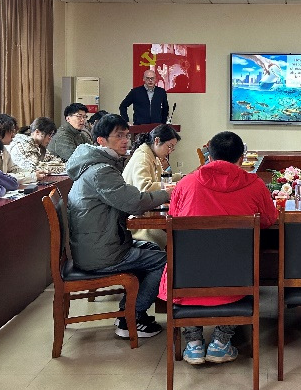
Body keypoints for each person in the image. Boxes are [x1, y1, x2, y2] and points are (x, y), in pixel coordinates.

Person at [159, 131, 278, 365]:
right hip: (236, 279)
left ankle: (193, 344)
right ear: (241, 158)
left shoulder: (186, 183)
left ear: (210, 157)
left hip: (187, 279)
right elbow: (268, 220)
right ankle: (220, 343)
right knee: (242, 265)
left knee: (185, 260)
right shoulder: (255, 185)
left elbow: (173, 220)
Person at [66, 114, 168, 339]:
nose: (125, 141)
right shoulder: (101, 171)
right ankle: (130, 317)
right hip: (101, 253)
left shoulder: (97, 164)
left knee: (153, 248)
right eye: (119, 136)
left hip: (96, 244)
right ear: (101, 140)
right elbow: (134, 202)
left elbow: (127, 200)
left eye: (127, 136)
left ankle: (129, 311)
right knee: (163, 261)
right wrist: (168, 193)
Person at [122, 124, 181, 249]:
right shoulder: (143, 157)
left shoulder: (152, 155)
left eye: (172, 148)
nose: (170, 151)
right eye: (169, 146)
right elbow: (144, 187)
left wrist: (182, 178)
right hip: (133, 218)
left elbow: (163, 178)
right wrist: (174, 186)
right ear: (157, 141)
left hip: (141, 211)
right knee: (171, 236)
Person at [0, 113, 37, 184]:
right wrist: (32, 176)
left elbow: (14, 169)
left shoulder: (3, 149)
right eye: (11, 131)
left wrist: (34, 172)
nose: (13, 135)